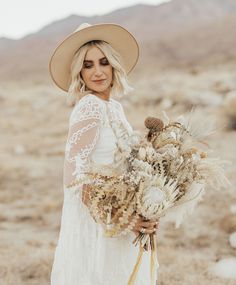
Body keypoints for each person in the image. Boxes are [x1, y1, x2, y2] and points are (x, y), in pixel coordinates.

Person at [49, 22, 160, 285]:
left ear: (114, 66)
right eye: (88, 66)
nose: (97, 72)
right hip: (100, 219)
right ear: (80, 73)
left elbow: (126, 163)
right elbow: (74, 174)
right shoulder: (90, 107)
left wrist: (149, 204)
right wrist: (119, 218)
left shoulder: (114, 107)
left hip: (123, 211)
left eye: (103, 62)